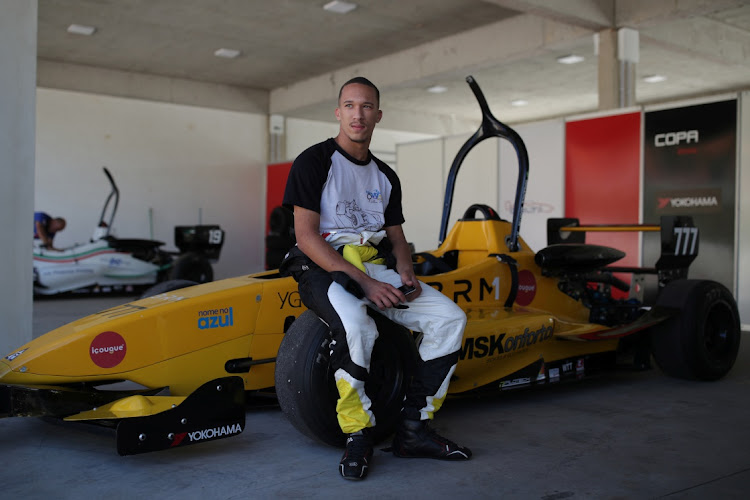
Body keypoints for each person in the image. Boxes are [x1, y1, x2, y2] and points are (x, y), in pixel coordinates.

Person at [281, 77, 471, 481]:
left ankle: (413, 430)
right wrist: (366, 286)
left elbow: (399, 238)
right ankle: (358, 435)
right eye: (349, 105)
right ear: (338, 112)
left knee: (449, 319)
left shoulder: (385, 175)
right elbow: (306, 237)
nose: (358, 114)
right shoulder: (313, 162)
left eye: (366, 107)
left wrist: (406, 270)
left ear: (378, 115)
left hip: (373, 264)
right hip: (322, 265)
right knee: (356, 326)